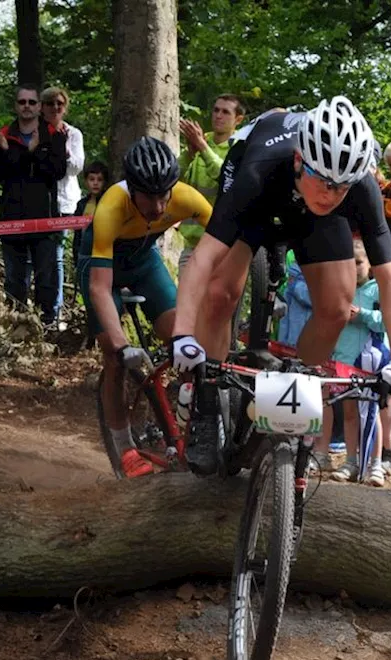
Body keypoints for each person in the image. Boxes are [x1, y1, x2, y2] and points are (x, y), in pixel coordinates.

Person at [169, 96, 391, 477]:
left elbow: (388, 274)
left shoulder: (359, 187)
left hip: (315, 222)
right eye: (325, 182)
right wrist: (183, 335)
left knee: (336, 308)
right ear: (302, 161)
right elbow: (202, 259)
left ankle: (293, 394)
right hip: (262, 198)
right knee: (221, 292)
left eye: (342, 187)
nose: (331, 194)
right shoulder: (258, 170)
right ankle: (206, 400)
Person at [82, 137, 212, 478]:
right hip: (100, 267)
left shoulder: (186, 197)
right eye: (148, 196)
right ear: (131, 189)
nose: (157, 206)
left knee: (184, 340)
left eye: (163, 195)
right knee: (113, 355)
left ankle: (191, 425)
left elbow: (228, 241)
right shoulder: (110, 207)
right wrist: (123, 345)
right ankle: (124, 446)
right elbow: (98, 287)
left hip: (144, 262)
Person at [0, 85, 69, 326]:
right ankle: (17, 322)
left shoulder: (54, 135)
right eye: (22, 102)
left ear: (39, 106)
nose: (27, 106)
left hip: (43, 217)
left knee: (46, 275)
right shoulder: (4, 135)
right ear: (16, 106)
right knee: (15, 278)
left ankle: (48, 322)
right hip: (12, 215)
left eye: (31, 102)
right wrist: (26, 154)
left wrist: (31, 154)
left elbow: (56, 172)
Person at [328, 238, 391, 486]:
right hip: (343, 359)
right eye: (348, 263)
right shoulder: (340, 288)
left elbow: (387, 321)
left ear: (370, 264)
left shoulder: (379, 288)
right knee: (350, 413)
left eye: (358, 263)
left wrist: (362, 315)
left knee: (372, 411)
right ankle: (351, 461)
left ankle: (375, 464)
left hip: (370, 363)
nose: (353, 268)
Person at [179, 94, 245, 269]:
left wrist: (202, 147)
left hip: (224, 247)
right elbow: (174, 178)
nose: (218, 115)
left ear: (238, 119)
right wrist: (190, 153)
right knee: (186, 297)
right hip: (192, 245)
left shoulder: (241, 147)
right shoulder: (201, 140)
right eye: (216, 110)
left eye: (225, 112)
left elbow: (227, 179)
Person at [41, 86, 85, 317]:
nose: (55, 108)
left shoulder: (74, 134)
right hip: (41, 202)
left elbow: (76, 167)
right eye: (50, 104)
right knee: (39, 257)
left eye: (59, 103)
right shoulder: (38, 132)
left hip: (66, 201)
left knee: (57, 257)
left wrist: (63, 147)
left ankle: (55, 310)